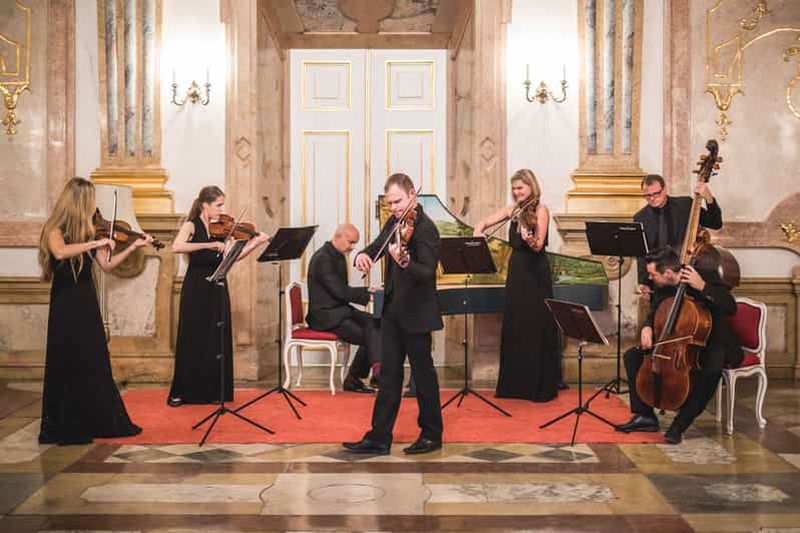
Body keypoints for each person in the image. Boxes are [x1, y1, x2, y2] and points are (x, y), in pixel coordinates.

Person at [37, 177, 154, 445]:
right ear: (79, 201)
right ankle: (65, 423)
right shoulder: (54, 228)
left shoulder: (91, 230)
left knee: (93, 359)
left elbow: (107, 266)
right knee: (68, 360)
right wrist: (95, 244)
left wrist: (132, 246)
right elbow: (59, 252)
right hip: (66, 303)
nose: (95, 205)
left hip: (87, 302)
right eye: (91, 199)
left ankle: (96, 419)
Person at [343, 173, 444, 455]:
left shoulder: (426, 229)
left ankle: (432, 435)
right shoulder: (393, 223)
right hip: (392, 312)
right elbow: (376, 248)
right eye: (390, 203)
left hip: (417, 313)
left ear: (412, 193)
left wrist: (405, 261)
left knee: (423, 376)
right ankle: (379, 437)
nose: (395, 208)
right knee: (388, 376)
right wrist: (362, 255)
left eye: (398, 201)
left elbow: (426, 273)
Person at [617, 247, 742, 444]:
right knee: (632, 356)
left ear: (667, 273)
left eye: (652, 274)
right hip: (676, 339)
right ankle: (645, 416)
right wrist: (647, 327)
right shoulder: (662, 285)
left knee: (711, 372)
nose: (649, 278)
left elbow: (730, 306)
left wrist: (702, 287)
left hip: (711, 338)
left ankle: (679, 425)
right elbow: (656, 309)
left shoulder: (703, 276)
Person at [167, 186, 270, 406]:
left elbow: (234, 258)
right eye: (218, 205)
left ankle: (213, 391)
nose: (222, 209)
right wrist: (209, 244)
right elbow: (176, 246)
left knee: (215, 339)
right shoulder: (191, 225)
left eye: (222, 204)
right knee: (192, 337)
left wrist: (255, 243)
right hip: (196, 288)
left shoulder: (221, 229)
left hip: (217, 286)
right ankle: (181, 392)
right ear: (205, 204)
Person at [472, 168, 562, 401]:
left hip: (535, 273)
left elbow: (538, 245)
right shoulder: (513, 210)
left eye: (520, 187)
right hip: (517, 272)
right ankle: (514, 386)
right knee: (516, 325)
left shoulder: (541, 210)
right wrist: (477, 231)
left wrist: (530, 239)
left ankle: (538, 387)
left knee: (536, 325)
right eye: (514, 188)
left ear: (531, 187)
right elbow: (485, 221)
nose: (516, 192)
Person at [306, 223, 381, 393]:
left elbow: (340, 291)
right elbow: (339, 291)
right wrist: (367, 294)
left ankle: (366, 375)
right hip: (326, 317)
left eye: (355, 243)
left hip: (339, 311)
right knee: (370, 335)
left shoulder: (336, 255)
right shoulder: (323, 258)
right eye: (351, 242)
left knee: (376, 323)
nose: (353, 247)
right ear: (338, 236)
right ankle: (367, 375)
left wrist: (367, 290)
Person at [634, 174, 723, 296]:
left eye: (656, 194)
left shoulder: (685, 205)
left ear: (665, 189)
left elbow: (715, 223)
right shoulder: (640, 217)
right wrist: (643, 282)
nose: (652, 198)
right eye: (647, 196)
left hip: (687, 274)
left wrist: (709, 198)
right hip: (660, 281)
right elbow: (642, 254)